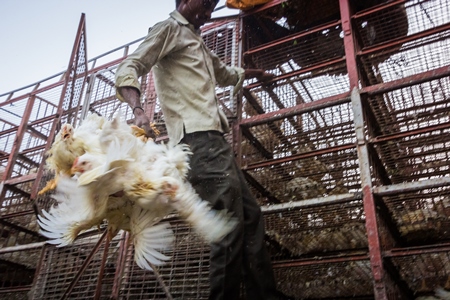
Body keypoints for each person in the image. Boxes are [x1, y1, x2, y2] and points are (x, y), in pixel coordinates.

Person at [115, 1, 289, 299]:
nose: (209, 10)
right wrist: (138, 109)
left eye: (212, 4)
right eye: (205, 3)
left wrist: (256, 73)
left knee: (249, 215)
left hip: (215, 142)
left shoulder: (196, 42)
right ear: (184, 1)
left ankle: (265, 294)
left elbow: (225, 73)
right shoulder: (168, 29)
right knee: (228, 222)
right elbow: (131, 66)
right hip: (197, 143)